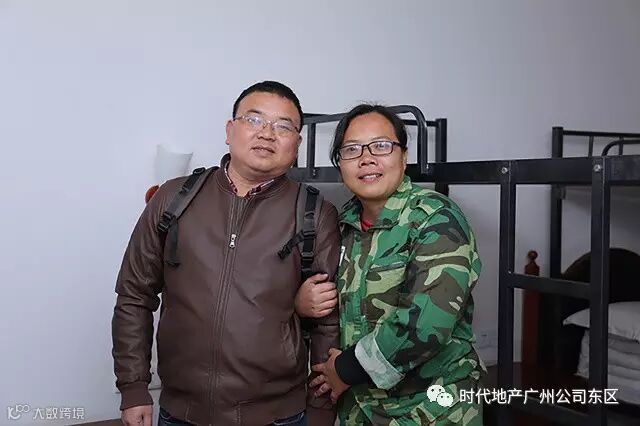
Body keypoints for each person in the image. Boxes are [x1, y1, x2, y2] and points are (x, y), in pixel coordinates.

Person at [112, 81, 340, 426]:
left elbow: (326, 321)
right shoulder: (173, 199)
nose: (267, 134)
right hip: (180, 412)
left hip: (278, 416)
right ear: (230, 130)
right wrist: (133, 388)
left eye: (283, 126)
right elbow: (134, 295)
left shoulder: (315, 213)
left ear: (296, 144)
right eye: (254, 120)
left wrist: (321, 413)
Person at [297, 104, 484, 425]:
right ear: (340, 164)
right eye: (352, 149)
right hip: (358, 407)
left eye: (381, 146)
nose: (366, 158)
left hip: (431, 408)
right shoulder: (340, 225)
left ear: (404, 156)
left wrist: (345, 370)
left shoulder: (436, 219)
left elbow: (426, 323)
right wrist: (300, 304)